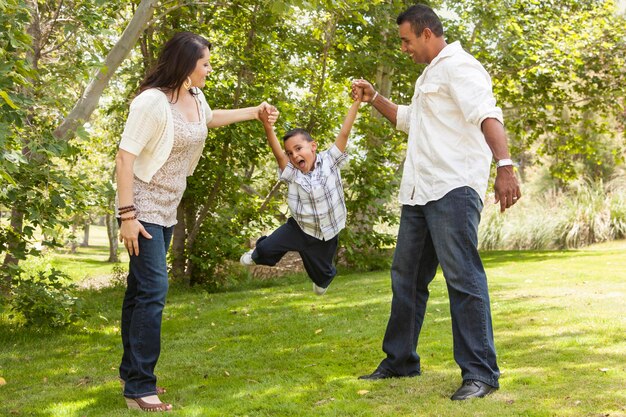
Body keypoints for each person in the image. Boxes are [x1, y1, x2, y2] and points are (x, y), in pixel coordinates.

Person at [352, 4, 521, 401]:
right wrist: (375, 97)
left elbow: (487, 115)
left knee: (463, 279)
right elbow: (410, 120)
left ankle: (481, 374)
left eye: (407, 40)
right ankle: (400, 361)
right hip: (419, 193)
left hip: (452, 190)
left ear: (427, 33)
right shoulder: (430, 75)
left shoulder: (460, 66)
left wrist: (506, 165)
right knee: (406, 278)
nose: (404, 48)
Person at [115, 32, 278, 412]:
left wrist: (255, 111)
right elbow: (125, 159)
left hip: (168, 208)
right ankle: (140, 387)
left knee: (139, 291)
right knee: (154, 291)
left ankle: (130, 373)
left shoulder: (194, 96)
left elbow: (210, 118)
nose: (209, 68)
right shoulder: (151, 102)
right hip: (141, 210)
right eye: (205, 62)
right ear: (187, 64)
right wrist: (127, 216)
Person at [239, 89, 363, 295]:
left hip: (328, 232)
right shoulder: (292, 173)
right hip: (299, 228)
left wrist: (357, 103)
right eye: (291, 153)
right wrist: (267, 126)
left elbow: (344, 133)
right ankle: (258, 251)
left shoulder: (330, 160)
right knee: (266, 250)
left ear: (313, 146)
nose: (294, 155)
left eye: (298, 148)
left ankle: (322, 279)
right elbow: (278, 153)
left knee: (322, 279)